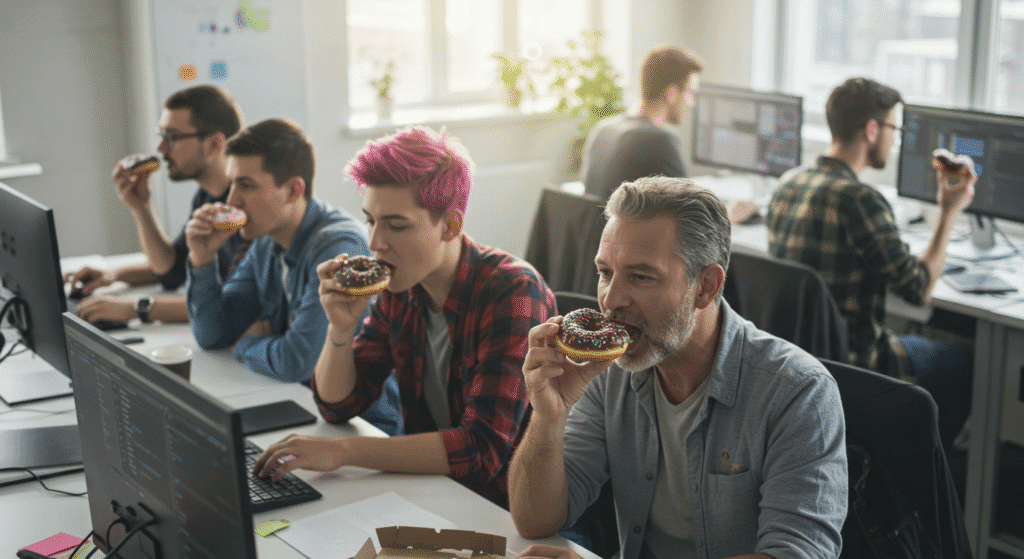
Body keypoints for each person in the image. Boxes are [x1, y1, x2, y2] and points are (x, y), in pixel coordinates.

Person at [509, 177, 847, 559]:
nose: (612, 299)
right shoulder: (611, 371)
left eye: (640, 277)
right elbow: (534, 521)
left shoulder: (799, 392)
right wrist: (548, 417)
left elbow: (797, 553)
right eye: (605, 273)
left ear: (705, 286)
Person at [253, 126, 556, 508]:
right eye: (370, 220)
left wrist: (346, 451)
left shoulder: (513, 292)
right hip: (426, 492)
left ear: (450, 225)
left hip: (500, 509)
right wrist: (340, 329)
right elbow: (338, 404)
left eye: (396, 225)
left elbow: (479, 451)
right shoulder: (401, 285)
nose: (376, 243)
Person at [766, 77, 976, 449]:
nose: (895, 140)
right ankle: (919, 478)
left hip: (795, 359)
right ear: (872, 130)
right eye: (894, 129)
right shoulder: (861, 199)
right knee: (966, 362)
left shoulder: (788, 182)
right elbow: (919, 291)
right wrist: (948, 213)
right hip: (856, 365)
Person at [185, 118, 371, 383]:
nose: (231, 201)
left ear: (294, 190)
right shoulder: (266, 240)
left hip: (358, 421)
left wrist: (246, 344)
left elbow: (297, 362)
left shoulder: (339, 247)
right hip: (301, 401)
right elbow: (213, 335)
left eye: (246, 186)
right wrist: (202, 259)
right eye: (232, 184)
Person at [66, 85, 249, 325]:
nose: (160, 148)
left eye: (172, 137)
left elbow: (229, 303)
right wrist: (141, 208)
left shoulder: (245, 210)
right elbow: (173, 269)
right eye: (161, 135)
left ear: (215, 145)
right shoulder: (207, 197)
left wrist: (135, 309)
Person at [581, 47, 702, 203]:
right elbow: (693, 214)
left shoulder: (603, 129)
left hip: (607, 227)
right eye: (690, 93)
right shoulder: (658, 141)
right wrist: (730, 215)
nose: (692, 103)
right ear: (671, 93)